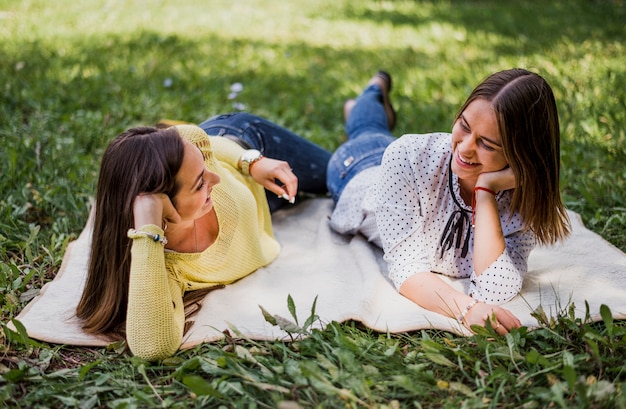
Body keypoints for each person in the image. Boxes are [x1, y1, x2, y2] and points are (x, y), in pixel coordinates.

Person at [327, 68, 571, 335]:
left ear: (520, 155)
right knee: (365, 132)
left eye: (487, 144)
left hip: (389, 160)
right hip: (357, 168)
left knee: (371, 129)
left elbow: (494, 289)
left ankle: (365, 109)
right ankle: (373, 90)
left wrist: (485, 191)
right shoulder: (407, 156)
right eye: (464, 126)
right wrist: (466, 309)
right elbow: (408, 271)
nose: (465, 148)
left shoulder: (522, 199)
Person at [76, 113, 331, 360]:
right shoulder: (163, 265)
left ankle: (364, 100)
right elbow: (152, 348)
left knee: (340, 172)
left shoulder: (186, 147)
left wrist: (251, 161)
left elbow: (209, 141)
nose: (216, 178)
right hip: (264, 202)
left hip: (249, 147)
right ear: (163, 209)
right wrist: (147, 228)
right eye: (200, 183)